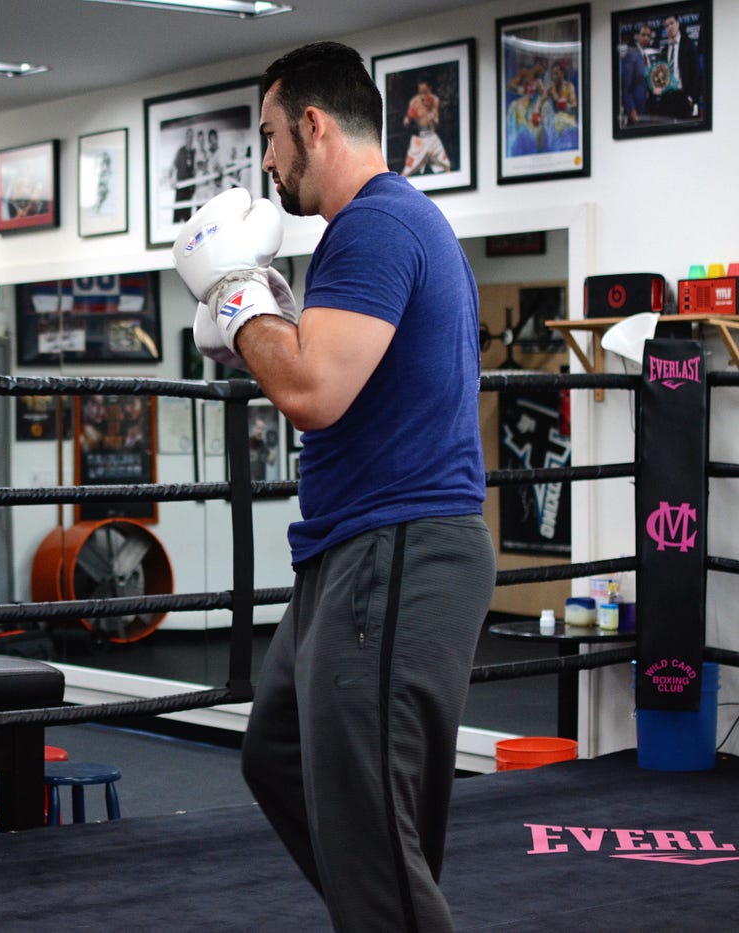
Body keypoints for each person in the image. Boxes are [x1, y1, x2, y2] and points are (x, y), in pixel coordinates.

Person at [172, 41, 494, 930]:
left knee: (373, 843)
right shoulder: (386, 231)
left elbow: (312, 390)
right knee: (279, 753)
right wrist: (264, 310)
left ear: (313, 124)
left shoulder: (377, 226)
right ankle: (387, 903)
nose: (268, 163)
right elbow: (330, 372)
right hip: (354, 552)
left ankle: (386, 905)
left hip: (398, 551)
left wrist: (241, 305)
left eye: (272, 137)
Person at [400, 80, 451, 175]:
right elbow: (406, 122)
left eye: (425, 92)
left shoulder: (435, 100)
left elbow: (436, 121)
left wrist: (429, 109)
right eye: (420, 92)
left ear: (430, 88)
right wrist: (409, 118)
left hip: (432, 136)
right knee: (407, 170)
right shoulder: (414, 102)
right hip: (419, 138)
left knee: (446, 166)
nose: (423, 95)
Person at [619, 24, 654, 127]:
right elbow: (626, 85)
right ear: (638, 36)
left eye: (648, 36)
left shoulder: (646, 56)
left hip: (647, 108)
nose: (646, 38)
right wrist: (631, 108)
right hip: (636, 109)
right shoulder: (631, 54)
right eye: (643, 35)